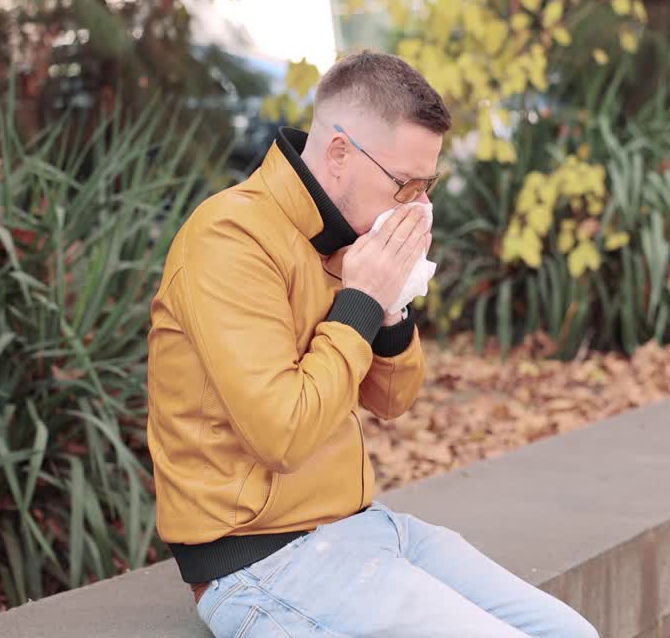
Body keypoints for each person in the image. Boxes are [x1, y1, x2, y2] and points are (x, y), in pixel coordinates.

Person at [145, 50, 599, 637]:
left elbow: (393, 398)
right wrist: (360, 299)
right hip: (261, 561)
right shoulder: (229, 239)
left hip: (360, 528)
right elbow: (282, 433)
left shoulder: (348, 237)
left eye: (427, 184)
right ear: (339, 152)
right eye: (404, 184)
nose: (416, 204)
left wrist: (391, 303)